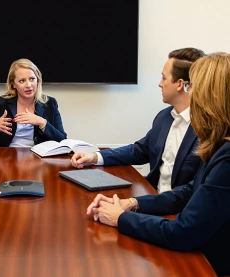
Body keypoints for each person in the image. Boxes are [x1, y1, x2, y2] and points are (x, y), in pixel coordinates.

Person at [87, 53, 230, 276]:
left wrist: (121, 218)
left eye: (196, 89)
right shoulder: (220, 145)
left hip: (209, 263)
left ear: (212, 99)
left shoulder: (227, 156)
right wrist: (132, 203)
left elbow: (184, 233)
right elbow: (190, 191)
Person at [71, 48, 206, 192]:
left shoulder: (208, 128)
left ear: (179, 84)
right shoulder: (164, 117)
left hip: (181, 209)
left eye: (164, 78)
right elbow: (140, 151)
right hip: (153, 198)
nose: (160, 84)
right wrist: (94, 157)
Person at [0, 58, 67, 147]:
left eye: (32, 79)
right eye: (22, 81)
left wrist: (42, 122)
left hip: (39, 158)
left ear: (37, 80)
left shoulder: (50, 103)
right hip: (8, 157)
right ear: (13, 84)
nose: (28, 85)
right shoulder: (0, 104)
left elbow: (62, 140)